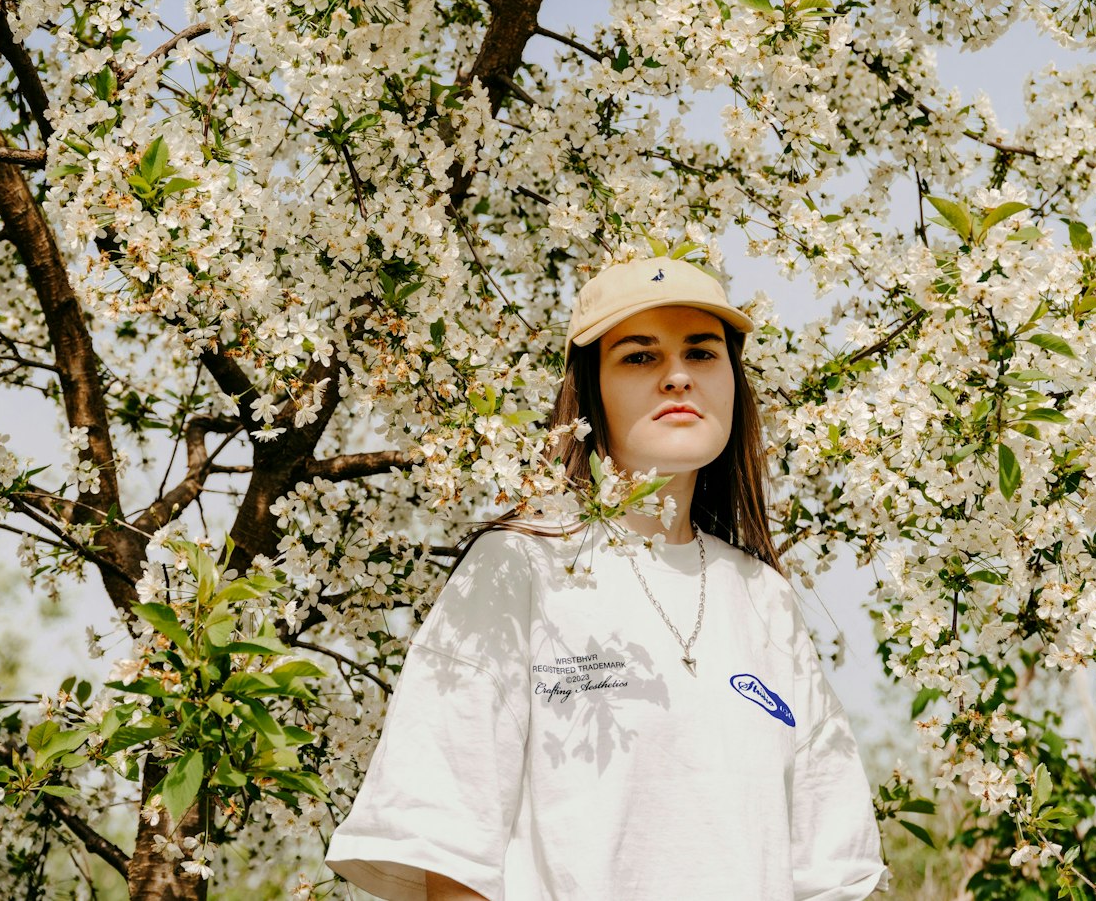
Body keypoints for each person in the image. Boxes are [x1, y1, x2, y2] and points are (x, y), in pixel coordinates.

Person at [324, 256, 886, 901]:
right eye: (640, 357)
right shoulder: (519, 567)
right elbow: (447, 843)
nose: (677, 376)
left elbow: (832, 865)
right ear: (591, 393)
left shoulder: (764, 597)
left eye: (702, 353)